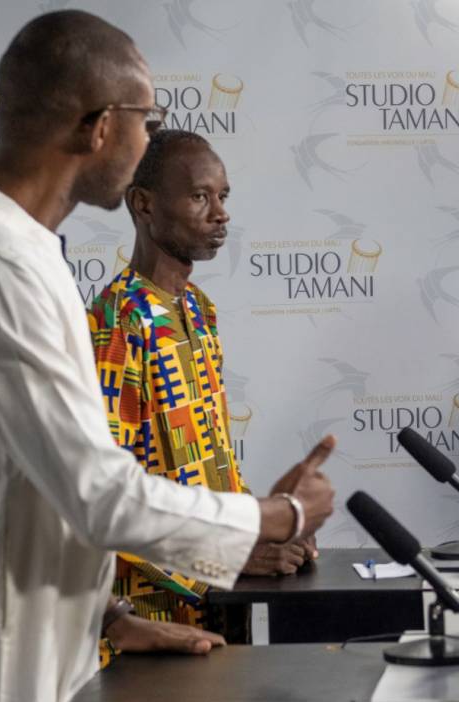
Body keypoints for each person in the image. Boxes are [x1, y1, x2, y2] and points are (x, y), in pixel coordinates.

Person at [0, 11, 333, 702]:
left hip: (44, 670)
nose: (149, 142)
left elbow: (31, 489)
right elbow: (99, 492)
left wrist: (110, 621)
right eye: (144, 122)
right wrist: (273, 518)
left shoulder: (11, 248)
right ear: (97, 127)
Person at [88, 129, 322, 657]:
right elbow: (104, 495)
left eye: (223, 197)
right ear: (143, 204)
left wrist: (257, 533)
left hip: (219, 604)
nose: (220, 214)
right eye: (199, 196)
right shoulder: (118, 322)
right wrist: (220, 556)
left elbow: (212, 457)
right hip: (145, 622)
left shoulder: (199, 310)